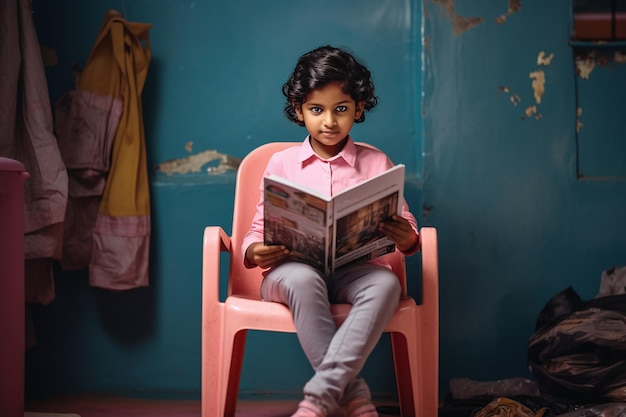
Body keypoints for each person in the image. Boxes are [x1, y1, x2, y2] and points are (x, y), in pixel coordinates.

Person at [242, 45, 420, 417]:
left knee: (386, 284)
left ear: (358, 107)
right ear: (299, 110)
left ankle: (323, 398)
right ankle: (348, 398)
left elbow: (405, 222)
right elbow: (256, 229)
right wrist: (255, 251)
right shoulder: (282, 163)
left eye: (341, 109)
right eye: (316, 110)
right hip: (292, 272)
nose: (329, 121)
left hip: (353, 271)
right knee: (304, 281)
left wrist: (408, 238)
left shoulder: (375, 161)